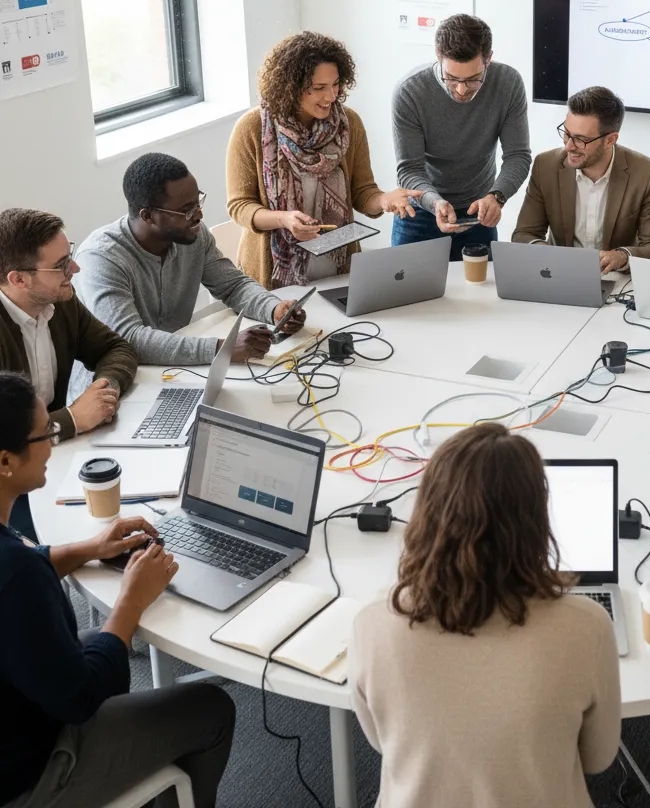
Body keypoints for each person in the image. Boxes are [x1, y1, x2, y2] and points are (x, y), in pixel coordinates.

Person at [349, 423, 621, 807]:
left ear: (427, 512)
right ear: (537, 522)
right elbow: (598, 758)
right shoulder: (587, 627)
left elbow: (383, 742)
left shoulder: (372, 626)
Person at [0, 372, 236, 808]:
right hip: (26, 779)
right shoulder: (16, 573)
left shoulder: (13, 560)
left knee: (95, 640)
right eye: (45, 433)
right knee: (212, 709)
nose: (52, 443)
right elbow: (82, 697)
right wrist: (131, 599)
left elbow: (21, 572)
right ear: (5, 461)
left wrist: (90, 548)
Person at [226, 31, 421, 287]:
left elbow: (362, 191)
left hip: (336, 269)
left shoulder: (348, 123)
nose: (331, 96)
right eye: (319, 88)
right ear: (290, 87)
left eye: (336, 84)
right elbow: (239, 206)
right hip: (275, 276)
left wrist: (384, 200)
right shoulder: (252, 128)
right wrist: (284, 219)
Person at [75, 153, 306, 366]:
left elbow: (233, 286)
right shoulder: (101, 258)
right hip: (114, 386)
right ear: (148, 216)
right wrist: (222, 349)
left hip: (174, 370)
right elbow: (129, 338)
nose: (199, 215)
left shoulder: (193, 234)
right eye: (187, 210)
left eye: (198, 202)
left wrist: (273, 309)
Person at [0, 208, 138, 541]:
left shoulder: (60, 300)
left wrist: (104, 390)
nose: (74, 269)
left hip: (54, 456)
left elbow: (116, 348)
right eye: (61, 265)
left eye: (70, 256)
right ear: (18, 279)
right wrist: (73, 419)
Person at [392, 14, 532, 259]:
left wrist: (497, 196)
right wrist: (435, 202)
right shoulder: (410, 91)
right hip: (421, 212)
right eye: (452, 78)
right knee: (409, 285)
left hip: (478, 211)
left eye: (473, 80)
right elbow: (409, 170)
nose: (461, 90)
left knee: (481, 285)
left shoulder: (508, 83)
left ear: (488, 59)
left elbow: (518, 155)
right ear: (438, 56)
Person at [512, 85, 650, 269]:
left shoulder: (646, 173)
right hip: (559, 272)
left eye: (581, 139)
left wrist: (622, 256)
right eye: (567, 134)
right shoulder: (545, 166)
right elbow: (524, 234)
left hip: (616, 277)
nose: (569, 146)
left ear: (610, 140)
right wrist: (544, 251)